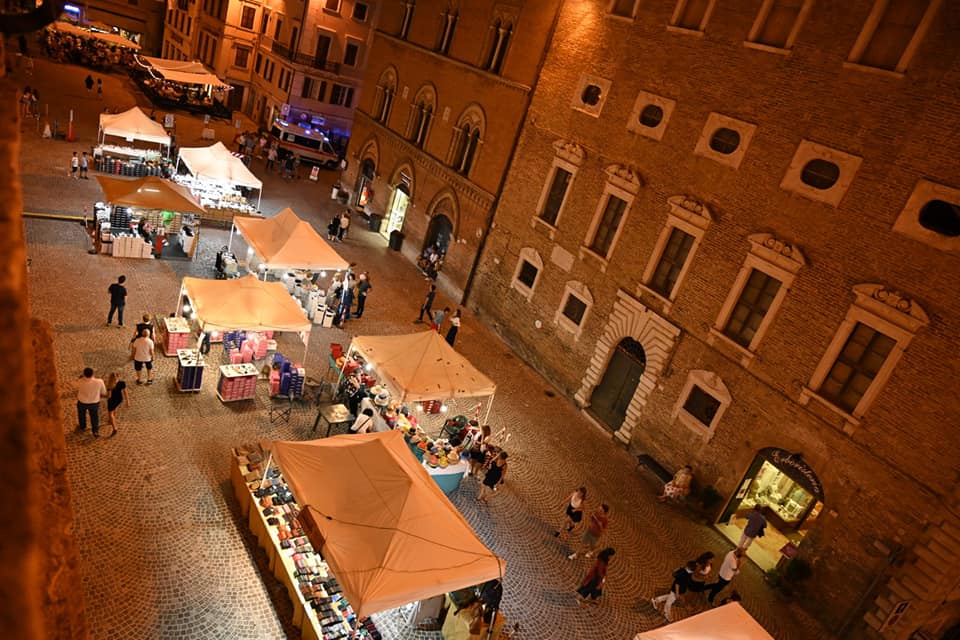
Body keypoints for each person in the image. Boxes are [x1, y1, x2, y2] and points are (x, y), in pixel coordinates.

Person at [76, 367, 107, 437]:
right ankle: (95, 431)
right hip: (94, 403)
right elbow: (104, 392)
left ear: (84, 374)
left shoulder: (80, 381)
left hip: (82, 402)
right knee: (94, 416)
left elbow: (77, 387)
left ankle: (83, 426)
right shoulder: (99, 381)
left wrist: (80, 378)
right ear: (93, 373)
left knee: (81, 415)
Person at [105, 372, 129, 437]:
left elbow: (109, 396)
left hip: (111, 400)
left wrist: (102, 395)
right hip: (119, 399)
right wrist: (127, 401)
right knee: (115, 408)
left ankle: (114, 428)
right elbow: (125, 393)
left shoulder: (109, 385)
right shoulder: (122, 383)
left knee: (110, 414)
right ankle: (112, 419)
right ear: (118, 377)